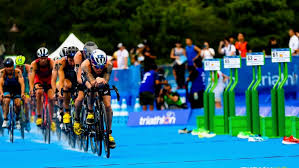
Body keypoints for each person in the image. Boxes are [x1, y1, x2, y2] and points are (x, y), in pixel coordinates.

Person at [75, 49, 116, 149]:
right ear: (92, 63)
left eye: (101, 67)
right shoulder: (85, 64)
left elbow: (106, 80)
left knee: (108, 106)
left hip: (101, 80)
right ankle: (90, 112)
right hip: (88, 79)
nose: (99, 69)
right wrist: (96, 80)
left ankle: (109, 134)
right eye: (96, 67)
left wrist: (103, 80)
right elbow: (92, 82)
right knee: (91, 89)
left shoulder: (109, 64)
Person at [73, 41, 98, 135]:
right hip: (82, 76)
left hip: (92, 75)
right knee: (80, 98)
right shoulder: (78, 56)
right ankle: (77, 120)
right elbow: (79, 76)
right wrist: (86, 83)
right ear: (84, 53)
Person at [29, 47, 56, 130]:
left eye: (45, 58)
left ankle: (51, 120)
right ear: (38, 58)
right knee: (39, 92)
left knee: (52, 98)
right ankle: (39, 116)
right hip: (39, 80)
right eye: (41, 58)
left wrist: (55, 90)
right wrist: (31, 89)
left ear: (47, 57)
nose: (43, 60)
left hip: (49, 81)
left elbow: (55, 77)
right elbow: (31, 78)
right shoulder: (34, 64)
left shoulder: (52, 62)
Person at [0, 58, 25, 129]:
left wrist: (22, 93)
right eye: (7, 67)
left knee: (18, 103)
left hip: (16, 89)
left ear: (13, 66)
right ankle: (5, 119)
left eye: (10, 66)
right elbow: (0, 84)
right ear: (5, 67)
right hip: (6, 89)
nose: (9, 68)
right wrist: (1, 93)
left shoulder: (18, 72)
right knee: (6, 100)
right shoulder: (2, 72)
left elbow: (22, 84)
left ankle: (17, 119)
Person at [58, 46, 78, 125]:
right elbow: (61, 78)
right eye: (70, 60)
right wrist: (60, 91)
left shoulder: (80, 60)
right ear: (66, 58)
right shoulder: (62, 62)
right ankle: (66, 111)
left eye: (74, 60)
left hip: (77, 80)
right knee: (66, 85)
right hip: (67, 80)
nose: (73, 63)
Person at [51, 47, 68, 122]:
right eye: (63, 57)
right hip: (59, 81)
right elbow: (54, 79)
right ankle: (60, 108)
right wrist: (56, 92)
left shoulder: (70, 61)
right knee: (59, 86)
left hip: (67, 81)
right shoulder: (58, 63)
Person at [15, 55, 31, 130]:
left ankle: (27, 120)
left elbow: (31, 78)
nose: (20, 67)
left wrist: (31, 89)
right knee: (16, 103)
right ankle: (17, 117)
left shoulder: (27, 67)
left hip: (26, 87)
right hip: (16, 87)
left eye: (22, 66)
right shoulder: (13, 68)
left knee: (26, 103)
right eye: (18, 66)